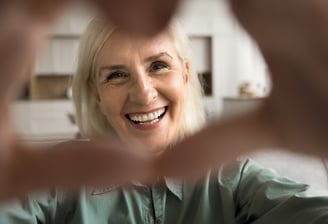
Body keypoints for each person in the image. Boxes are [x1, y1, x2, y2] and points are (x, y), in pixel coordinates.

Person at [1, 16, 328, 224]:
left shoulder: (234, 179)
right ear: (96, 94)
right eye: (116, 75)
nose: (143, 94)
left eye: (158, 65)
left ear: (186, 75)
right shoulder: (59, 180)